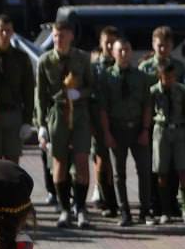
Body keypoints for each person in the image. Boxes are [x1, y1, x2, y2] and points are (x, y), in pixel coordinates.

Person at [37, 20, 96, 229]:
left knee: (81, 161)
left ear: (71, 36)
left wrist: (79, 93)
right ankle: (64, 209)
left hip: (79, 114)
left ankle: (80, 208)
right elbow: (40, 95)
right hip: (57, 113)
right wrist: (41, 125)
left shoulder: (82, 58)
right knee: (59, 164)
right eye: (55, 36)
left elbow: (92, 87)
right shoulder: (45, 61)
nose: (58, 40)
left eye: (62, 36)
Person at [100, 37, 152, 227]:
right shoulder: (106, 77)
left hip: (137, 127)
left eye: (127, 50)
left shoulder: (140, 76)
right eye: (120, 50)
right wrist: (107, 133)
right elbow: (103, 108)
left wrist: (145, 129)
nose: (123, 53)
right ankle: (125, 212)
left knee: (144, 171)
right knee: (118, 174)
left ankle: (145, 211)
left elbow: (147, 105)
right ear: (113, 53)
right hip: (117, 129)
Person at [139, 27, 185, 217]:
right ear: (153, 44)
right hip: (155, 125)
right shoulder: (145, 68)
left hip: (176, 124)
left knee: (176, 168)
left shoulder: (179, 67)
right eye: (160, 45)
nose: (163, 49)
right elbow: (141, 98)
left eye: (167, 46)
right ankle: (157, 203)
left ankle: (173, 201)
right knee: (156, 167)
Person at [0, 15, 36, 163]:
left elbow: (28, 90)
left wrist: (27, 120)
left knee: (12, 163)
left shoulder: (21, 58)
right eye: (1, 30)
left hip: (14, 114)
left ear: (13, 32)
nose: (5, 34)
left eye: (8, 30)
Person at [150, 62, 185, 224]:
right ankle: (165, 210)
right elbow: (148, 112)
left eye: (172, 77)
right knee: (162, 171)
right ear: (160, 76)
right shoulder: (153, 92)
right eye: (166, 77)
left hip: (179, 131)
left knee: (182, 169)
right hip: (161, 131)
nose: (170, 80)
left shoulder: (182, 91)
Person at [89, 26, 119, 217]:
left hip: (119, 120)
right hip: (98, 121)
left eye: (112, 42)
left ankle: (119, 200)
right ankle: (107, 200)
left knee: (118, 163)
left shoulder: (121, 64)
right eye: (106, 42)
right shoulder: (94, 68)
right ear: (100, 43)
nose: (109, 46)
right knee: (101, 162)